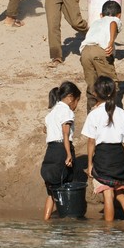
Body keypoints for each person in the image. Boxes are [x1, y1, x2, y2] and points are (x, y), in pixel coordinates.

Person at [82, 75, 124, 222]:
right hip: (119, 157)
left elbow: (91, 142)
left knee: (107, 194)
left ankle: (108, 229)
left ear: (95, 94)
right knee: (120, 194)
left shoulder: (93, 114)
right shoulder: (122, 113)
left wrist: (89, 165)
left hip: (103, 158)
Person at [41, 81, 81, 220]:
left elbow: (45, 129)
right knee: (64, 188)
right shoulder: (66, 111)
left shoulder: (52, 112)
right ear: (70, 97)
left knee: (52, 191)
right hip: (62, 150)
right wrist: (69, 154)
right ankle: (66, 218)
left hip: (50, 151)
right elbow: (65, 133)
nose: (76, 105)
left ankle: (46, 221)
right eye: (77, 101)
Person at [79, 0, 121, 110]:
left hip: (85, 52)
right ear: (119, 15)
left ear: (101, 15)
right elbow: (113, 23)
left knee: (92, 86)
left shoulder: (95, 23)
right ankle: (109, 113)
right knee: (110, 85)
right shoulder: (115, 20)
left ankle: (92, 114)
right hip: (100, 51)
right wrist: (111, 41)